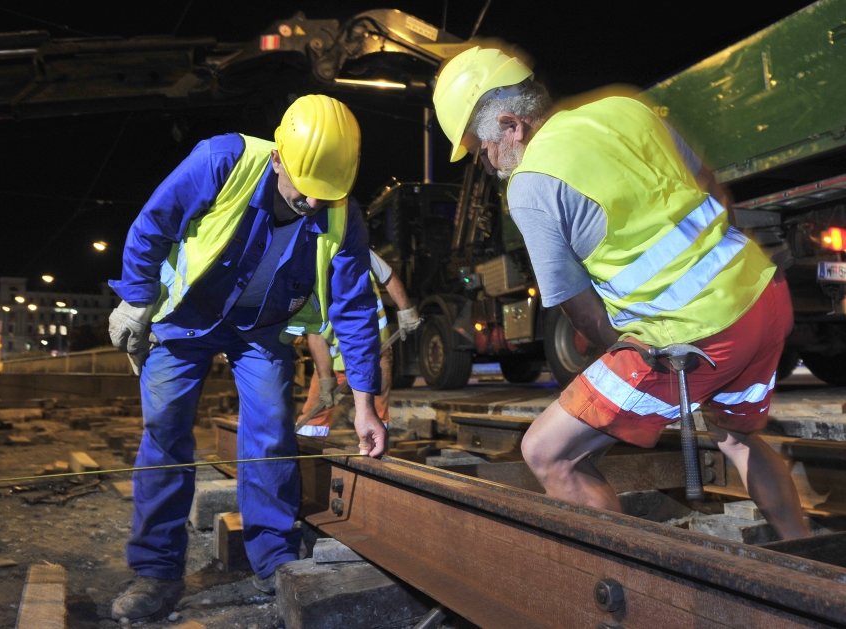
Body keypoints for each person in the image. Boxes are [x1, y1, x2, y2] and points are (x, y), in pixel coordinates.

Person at [432, 47, 810, 540]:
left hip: (696, 336)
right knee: (739, 437)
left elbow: (580, 307)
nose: (485, 163)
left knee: (549, 453)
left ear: (511, 125)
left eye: (481, 149)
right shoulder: (624, 107)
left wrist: (641, 357)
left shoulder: (530, 183)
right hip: (762, 296)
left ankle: (627, 592)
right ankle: (805, 552)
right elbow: (713, 190)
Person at [106, 94, 388, 620]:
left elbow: (353, 308)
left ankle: (274, 559)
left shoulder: (342, 214)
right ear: (279, 158)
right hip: (184, 317)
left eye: (329, 195)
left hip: (261, 329)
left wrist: (366, 404)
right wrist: (137, 298)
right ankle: (157, 570)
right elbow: (153, 224)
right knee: (165, 431)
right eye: (308, 192)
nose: (316, 205)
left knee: (271, 432)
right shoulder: (222, 160)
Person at [297, 248, 420, 436]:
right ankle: (310, 456)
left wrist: (406, 310)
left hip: (375, 352)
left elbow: (387, 276)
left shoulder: (356, 247)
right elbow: (315, 335)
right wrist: (325, 380)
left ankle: (376, 458)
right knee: (316, 414)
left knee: (376, 415)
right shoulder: (307, 272)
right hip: (334, 360)